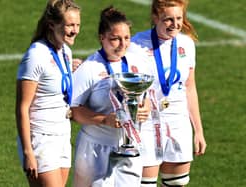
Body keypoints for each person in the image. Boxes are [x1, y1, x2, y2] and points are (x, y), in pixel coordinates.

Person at [70, 5, 151, 187]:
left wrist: (145, 109)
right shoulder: (89, 68)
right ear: (102, 38)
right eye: (115, 39)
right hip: (95, 149)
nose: (122, 44)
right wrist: (104, 119)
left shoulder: (137, 64)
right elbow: (74, 111)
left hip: (130, 148)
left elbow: (146, 97)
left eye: (126, 38)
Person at [129, 0, 207, 186]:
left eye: (179, 18)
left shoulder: (186, 44)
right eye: (168, 19)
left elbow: (189, 87)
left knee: (177, 184)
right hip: (146, 122)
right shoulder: (136, 44)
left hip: (178, 120)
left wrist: (198, 131)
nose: (175, 24)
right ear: (155, 18)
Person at [15, 0, 80, 186]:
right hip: (41, 139)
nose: (75, 30)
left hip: (62, 135)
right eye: (69, 25)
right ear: (52, 25)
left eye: (77, 25)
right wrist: (28, 152)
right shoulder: (35, 55)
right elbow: (22, 107)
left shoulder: (65, 51)